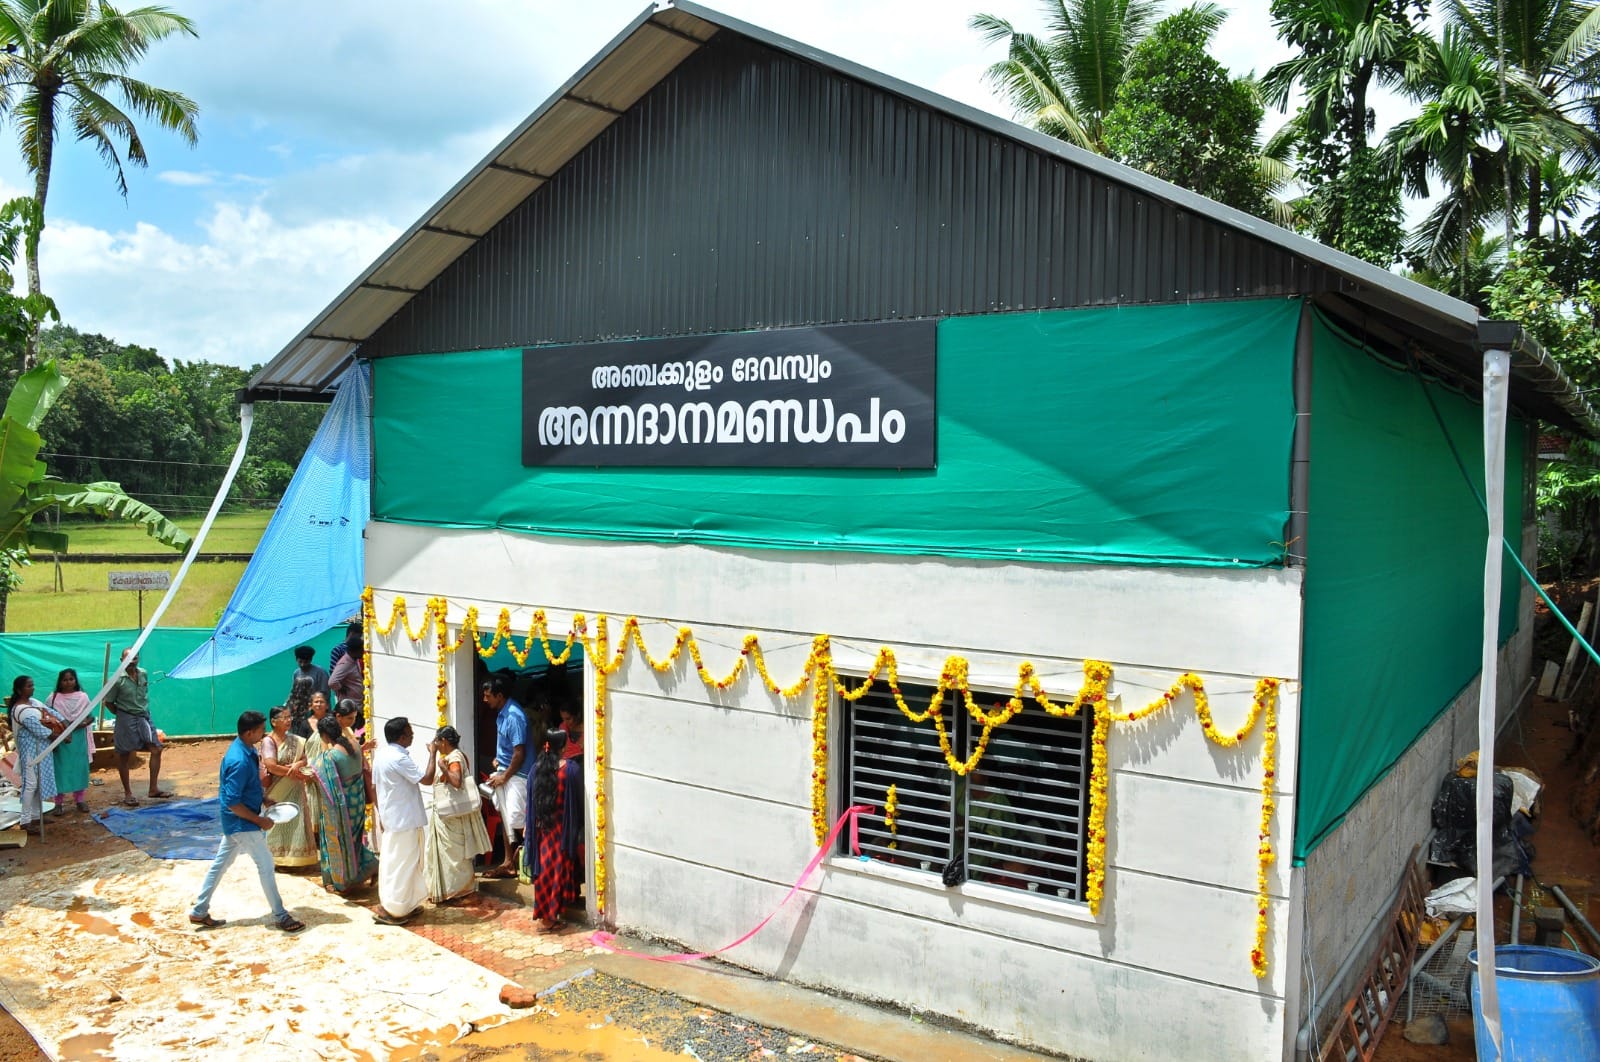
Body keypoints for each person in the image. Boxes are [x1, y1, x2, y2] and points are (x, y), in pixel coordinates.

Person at [188, 711, 307, 934]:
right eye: (261, 731)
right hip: (243, 822)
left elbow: (246, 787)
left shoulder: (247, 750)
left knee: (220, 865)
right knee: (266, 865)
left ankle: (199, 909)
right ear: (250, 732)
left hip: (238, 821)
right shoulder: (239, 760)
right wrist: (259, 820)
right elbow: (232, 801)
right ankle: (281, 915)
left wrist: (262, 798)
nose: (264, 736)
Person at [373, 716, 435, 924]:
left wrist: (380, 814)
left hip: (393, 818)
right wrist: (433, 754)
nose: (412, 736)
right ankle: (395, 909)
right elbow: (426, 779)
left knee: (395, 862)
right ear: (401, 737)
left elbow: (373, 788)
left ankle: (404, 904)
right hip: (404, 820)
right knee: (403, 865)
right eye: (410, 733)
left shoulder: (381, 755)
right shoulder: (399, 759)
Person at [307, 716, 377, 894]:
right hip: (357, 801)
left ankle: (342, 881)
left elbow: (319, 773)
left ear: (324, 735)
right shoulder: (354, 744)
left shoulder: (330, 756)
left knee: (338, 840)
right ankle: (369, 866)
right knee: (354, 841)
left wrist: (312, 773)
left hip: (341, 807)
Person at [424, 725, 492, 903]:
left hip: (452, 817)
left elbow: (456, 781)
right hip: (451, 815)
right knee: (453, 854)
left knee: (454, 856)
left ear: (444, 741)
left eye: (437, 741)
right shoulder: (454, 756)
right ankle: (454, 890)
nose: (435, 744)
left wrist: (443, 767)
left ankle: (459, 891)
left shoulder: (454, 759)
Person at [524, 729, 583, 928]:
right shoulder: (571, 770)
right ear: (564, 747)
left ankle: (546, 913)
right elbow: (577, 801)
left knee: (544, 871)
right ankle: (550, 917)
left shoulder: (535, 769)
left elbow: (530, 802)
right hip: (561, 829)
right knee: (557, 870)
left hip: (542, 830)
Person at [104, 649, 170, 807]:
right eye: (128, 658)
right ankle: (128, 793)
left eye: (135, 657)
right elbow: (109, 702)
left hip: (144, 716)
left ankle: (153, 789)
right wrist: (122, 715)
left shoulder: (143, 674)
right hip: (126, 717)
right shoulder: (116, 679)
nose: (132, 661)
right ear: (121, 660)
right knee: (124, 754)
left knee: (156, 749)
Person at [482, 675, 528, 879]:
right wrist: (498, 761)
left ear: (499, 696)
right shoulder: (502, 711)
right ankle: (509, 862)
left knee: (516, 817)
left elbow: (519, 753)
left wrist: (504, 776)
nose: (485, 700)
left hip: (518, 774)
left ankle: (533, 856)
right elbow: (509, 750)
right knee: (505, 816)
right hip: (505, 770)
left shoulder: (514, 716)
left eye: (488, 696)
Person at [259, 705, 317, 868]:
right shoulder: (268, 741)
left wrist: (299, 763)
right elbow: (271, 766)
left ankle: (298, 860)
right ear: (273, 721)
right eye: (284, 718)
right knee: (279, 820)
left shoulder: (296, 740)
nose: (288, 720)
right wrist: (293, 773)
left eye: (289, 717)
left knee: (297, 820)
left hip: (295, 789)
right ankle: (277, 859)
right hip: (278, 788)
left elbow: (306, 758)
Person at [8, 676, 63, 835]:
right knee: (30, 784)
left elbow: (51, 712)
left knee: (39, 782)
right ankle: (25, 821)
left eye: (32, 685)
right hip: (31, 751)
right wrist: (61, 735)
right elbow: (40, 730)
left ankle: (36, 815)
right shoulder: (20, 709)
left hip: (42, 749)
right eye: (28, 686)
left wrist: (64, 723)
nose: (32, 688)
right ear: (19, 690)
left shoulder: (34, 703)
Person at [46, 669, 93, 814]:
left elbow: (91, 717)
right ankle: (58, 803)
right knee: (59, 770)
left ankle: (80, 800)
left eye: (71, 679)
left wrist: (83, 723)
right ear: (60, 682)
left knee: (79, 769)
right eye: (65, 680)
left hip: (79, 740)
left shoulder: (83, 697)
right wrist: (61, 726)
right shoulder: (53, 698)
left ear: (76, 681)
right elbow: (47, 717)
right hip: (61, 739)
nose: (68, 682)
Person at [328, 642, 363, 713]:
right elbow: (332, 682)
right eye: (361, 650)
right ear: (355, 651)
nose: (363, 652)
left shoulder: (354, 660)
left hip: (358, 703)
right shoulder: (345, 664)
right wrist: (340, 688)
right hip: (350, 707)